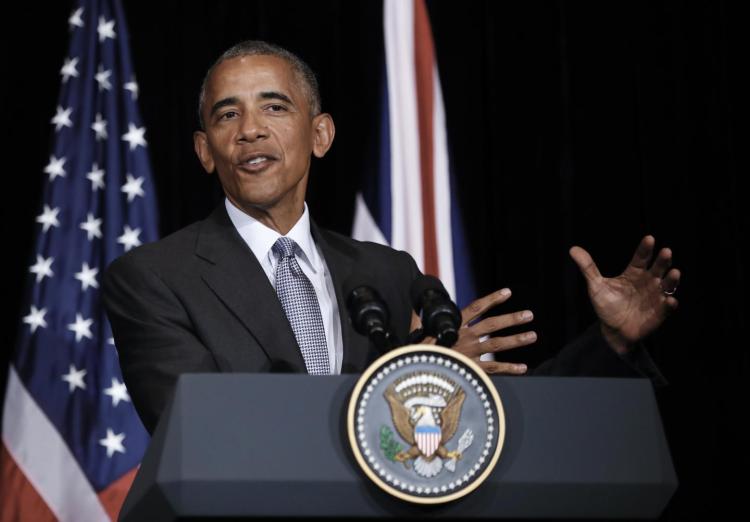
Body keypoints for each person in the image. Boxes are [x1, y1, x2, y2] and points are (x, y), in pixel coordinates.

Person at [103, 41, 680, 434]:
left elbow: (485, 410)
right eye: (226, 116)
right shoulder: (153, 277)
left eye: (274, 107)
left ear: (320, 134)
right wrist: (399, 381)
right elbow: (199, 425)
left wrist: (610, 345)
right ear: (206, 151)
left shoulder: (388, 272)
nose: (250, 129)